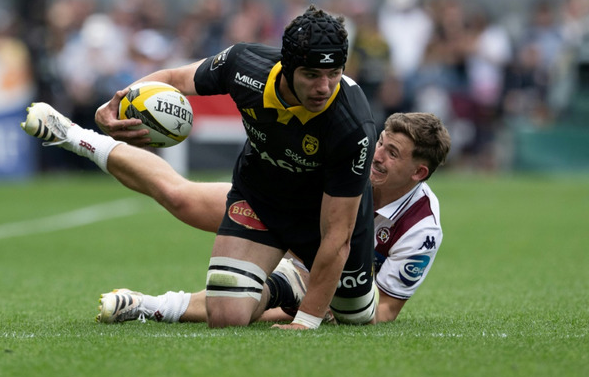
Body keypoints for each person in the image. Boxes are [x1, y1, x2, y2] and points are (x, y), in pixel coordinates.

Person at [22, 5, 378, 330]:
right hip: (262, 199)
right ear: (286, 65)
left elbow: (337, 236)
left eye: (334, 73)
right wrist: (117, 103)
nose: (323, 87)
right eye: (312, 74)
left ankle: (292, 283)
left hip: (323, 219)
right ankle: (77, 136)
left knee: (356, 316)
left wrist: (306, 322)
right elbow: (174, 79)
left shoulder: (351, 124)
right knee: (226, 316)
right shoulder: (245, 65)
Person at [91, 112, 450, 325]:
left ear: (418, 172)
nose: (377, 155)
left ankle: (144, 304)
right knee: (180, 198)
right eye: (381, 142)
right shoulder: (351, 158)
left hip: (318, 277)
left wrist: (317, 305)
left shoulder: (421, 229)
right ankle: (80, 139)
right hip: (283, 213)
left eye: (392, 153)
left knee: (245, 308)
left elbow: (384, 310)